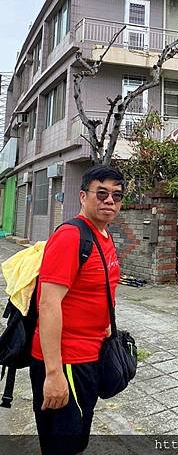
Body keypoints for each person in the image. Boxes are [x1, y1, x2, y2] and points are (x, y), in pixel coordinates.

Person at [30, 164, 125, 454]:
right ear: (83, 196)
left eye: (117, 196)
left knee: (78, 434)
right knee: (63, 443)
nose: (109, 200)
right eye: (102, 193)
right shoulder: (71, 236)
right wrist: (54, 373)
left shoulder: (103, 236)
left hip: (90, 355)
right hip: (67, 359)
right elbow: (48, 304)